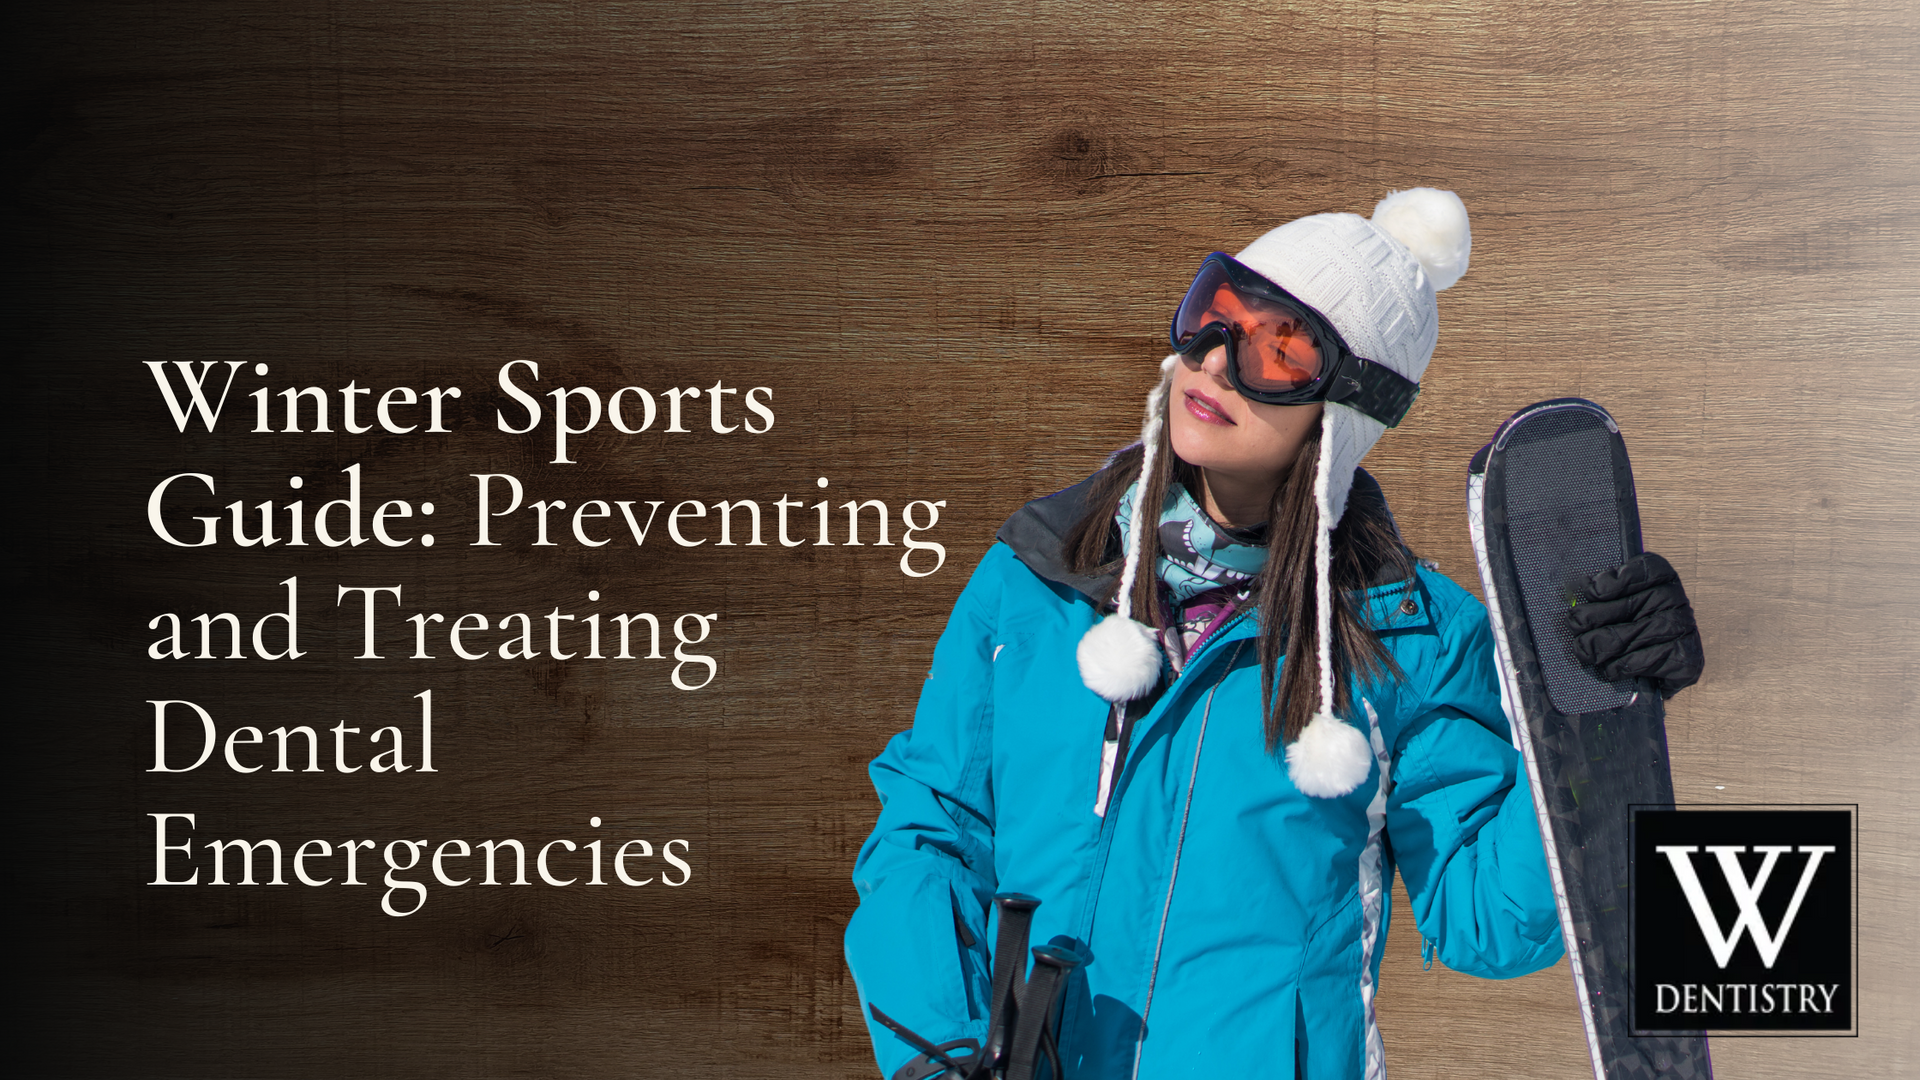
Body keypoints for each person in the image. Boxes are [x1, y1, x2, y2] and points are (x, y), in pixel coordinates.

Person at [843, 189, 1703, 1079]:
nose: (1215, 363)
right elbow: (928, 828)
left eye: (1278, 348)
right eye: (1212, 315)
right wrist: (939, 1055)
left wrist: (1592, 725)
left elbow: (1485, 919)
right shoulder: (1040, 575)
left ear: (1343, 409)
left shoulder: (1411, 638)